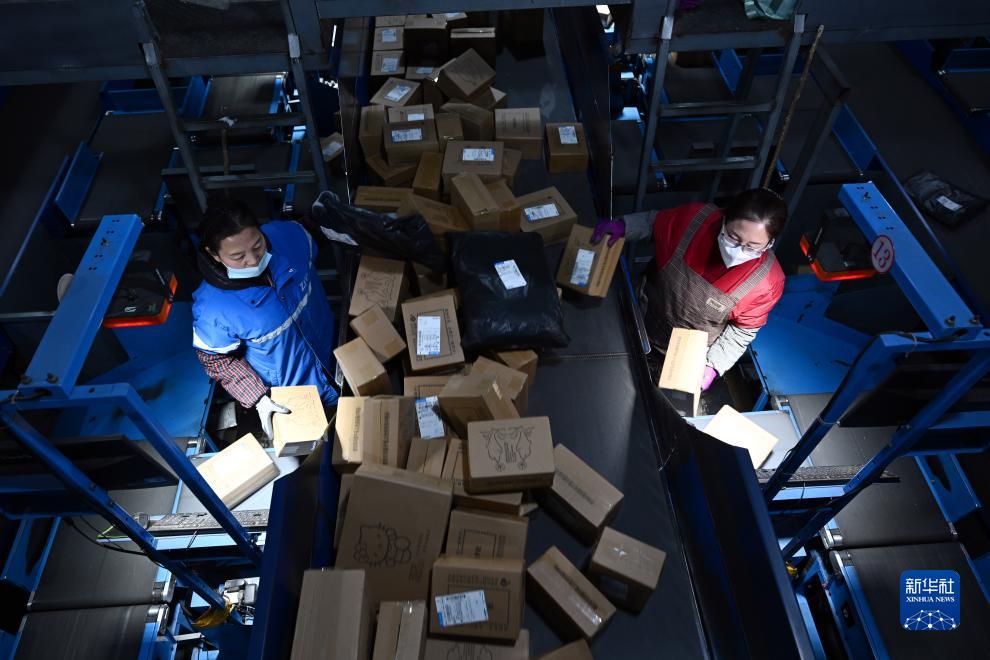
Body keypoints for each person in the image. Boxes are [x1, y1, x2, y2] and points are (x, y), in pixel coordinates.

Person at [593, 188, 786, 390]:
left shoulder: (766, 282)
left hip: (681, 360)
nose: (738, 251)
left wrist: (712, 365)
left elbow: (741, 331)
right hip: (639, 317)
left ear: (769, 243)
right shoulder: (693, 221)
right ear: (724, 218)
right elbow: (653, 223)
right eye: (733, 237)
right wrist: (625, 226)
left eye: (752, 246)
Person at [192, 199, 338, 438]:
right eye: (238, 256)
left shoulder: (288, 237)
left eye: (257, 245)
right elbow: (215, 360)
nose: (253, 260)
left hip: (340, 356)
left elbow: (319, 230)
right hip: (300, 399)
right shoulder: (213, 309)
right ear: (214, 254)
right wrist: (257, 397)